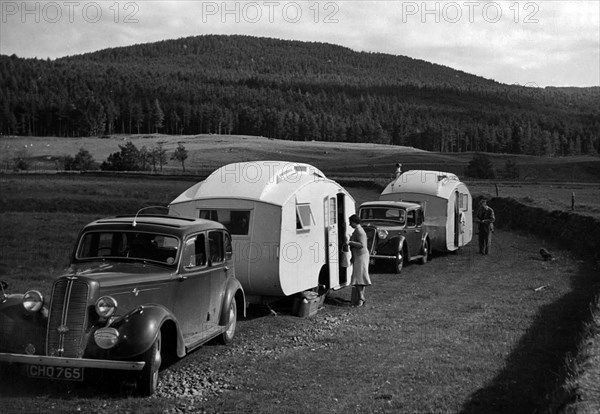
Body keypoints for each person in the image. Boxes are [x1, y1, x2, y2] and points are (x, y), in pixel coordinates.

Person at [346, 214, 372, 306]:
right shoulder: (357, 230)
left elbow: (361, 245)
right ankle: (360, 299)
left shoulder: (360, 231)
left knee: (359, 278)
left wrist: (350, 242)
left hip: (361, 256)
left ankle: (361, 297)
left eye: (350, 222)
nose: (350, 224)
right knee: (360, 278)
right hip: (358, 256)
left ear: (354, 222)